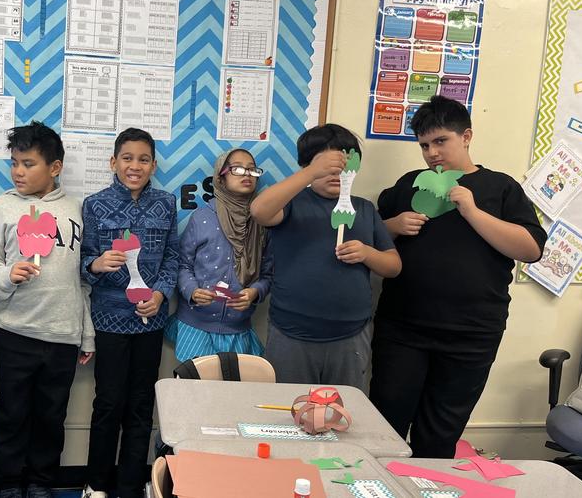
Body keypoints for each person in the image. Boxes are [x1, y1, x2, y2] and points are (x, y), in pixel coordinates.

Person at [369, 95, 546, 458]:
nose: (432, 152)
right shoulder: (409, 185)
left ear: (466, 136)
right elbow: (369, 233)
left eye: (441, 141)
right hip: (404, 328)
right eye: (424, 145)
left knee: (439, 435)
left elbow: (530, 249)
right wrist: (393, 225)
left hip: (472, 333)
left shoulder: (500, 187)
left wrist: (472, 210)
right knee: (384, 425)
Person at [0, 121, 94, 498]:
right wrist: (8, 274)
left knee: (51, 416)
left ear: (54, 168)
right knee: (11, 412)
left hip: (62, 334)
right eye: (14, 163)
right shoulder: (2, 206)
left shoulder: (76, 209)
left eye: (28, 164)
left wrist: (85, 333)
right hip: (14, 330)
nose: (18, 172)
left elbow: (83, 281)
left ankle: (42, 481)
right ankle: (8, 481)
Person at [250, 124, 401, 390]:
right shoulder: (292, 204)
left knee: (342, 412)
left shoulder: (364, 209)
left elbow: (393, 266)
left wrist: (367, 253)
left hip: (351, 334)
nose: (335, 172)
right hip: (291, 332)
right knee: (287, 410)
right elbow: (260, 211)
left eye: (343, 163)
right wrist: (312, 171)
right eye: (325, 164)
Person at [81, 128, 179, 498]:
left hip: (150, 319)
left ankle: (131, 484)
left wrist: (161, 293)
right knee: (108, 403)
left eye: (143, 159)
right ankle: (96, 484)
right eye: (127, 158)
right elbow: (81, 263)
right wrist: (97, 263)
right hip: (109, 318)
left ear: (153, 165)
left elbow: (172, 257)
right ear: (113, 162)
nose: (134, 166)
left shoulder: (166, 203)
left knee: (141, 404)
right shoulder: (94, 204)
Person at [165, 148, 272, 362]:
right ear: (220, 177)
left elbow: (268, 274)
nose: (247, 175)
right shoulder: (202, 217)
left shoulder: (263, 222)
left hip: (238, 329)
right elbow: (182, 264)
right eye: (238, 169)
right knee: (195, 390)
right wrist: (192, 291)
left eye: (252, 170)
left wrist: (255, 292)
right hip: (195, 325)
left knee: (234, 393)